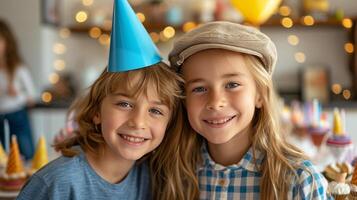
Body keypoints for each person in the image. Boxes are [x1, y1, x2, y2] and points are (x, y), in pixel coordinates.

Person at [165, 21, 332, 199]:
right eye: (199, 88)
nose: (215, 102)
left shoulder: (300, 180)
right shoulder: (172, 174)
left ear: (260, 94)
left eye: (232, 84)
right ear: (184, 100)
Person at [17, 63, 183, 199]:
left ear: (168, 124)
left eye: (155, 111)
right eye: (124, 104)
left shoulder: (155, 179)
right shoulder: (56, 183)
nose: (138, 122)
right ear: (97, 112)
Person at [0, 19, 35, 160]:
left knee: (25, 153)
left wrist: (18, 95)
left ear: (7, 43)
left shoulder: (19, 68)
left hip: (17, 116)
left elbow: (32, 97)